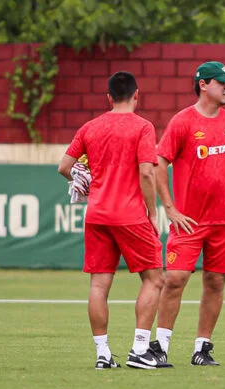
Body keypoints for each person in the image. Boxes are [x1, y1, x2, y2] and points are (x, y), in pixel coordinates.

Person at [58, 71, 170, 370]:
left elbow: (64, 167)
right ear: (137, 94)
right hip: (130, 214)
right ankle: (139, 350)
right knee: (155, 279)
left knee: (99, 285)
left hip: (97, 214)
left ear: (109, 97)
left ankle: (103, 355)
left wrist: (83, 180)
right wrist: (152, 211)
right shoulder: (143, 126)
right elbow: (147, 172)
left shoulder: (91, 127)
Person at [154, 61, 225, 366]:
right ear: (203, 84)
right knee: (175, 278)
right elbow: (160, 163)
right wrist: (170, 208)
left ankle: (202, 348)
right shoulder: (183, 121)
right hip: (190, 220)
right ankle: (159, 347)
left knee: (216, 282)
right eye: (221, 82)